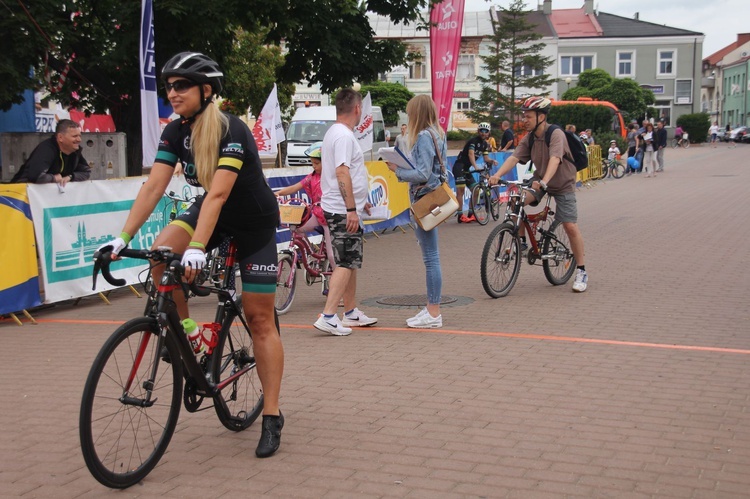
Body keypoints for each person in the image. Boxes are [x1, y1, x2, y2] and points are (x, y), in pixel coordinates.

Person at [97, 52, 285, 458]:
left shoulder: (232, 130)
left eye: (181, 85)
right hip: (210, 214)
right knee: (161, 254)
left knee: (259, 319)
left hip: (252, 222)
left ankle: (271, 415)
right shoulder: (174, 132)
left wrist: (199, 248)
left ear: (206, 90)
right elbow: (153, 187)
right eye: (169, 86)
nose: (172, 93)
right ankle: (187, 334)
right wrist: (122, 237)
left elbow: (218, 193)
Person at [489, 96, 589, 293]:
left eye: (528, 116)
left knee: (569, 224)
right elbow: (515, 158)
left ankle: (581, 270)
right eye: (523, 116)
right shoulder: (530, 137)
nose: (524, 120)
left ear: (541, 117)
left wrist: (544, 182)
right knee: (515, 200)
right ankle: (522, 242)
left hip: (562, 183)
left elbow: (554, 159)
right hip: (540, 181)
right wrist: (497, 175)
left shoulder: (556, 134)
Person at [313, 88, 378, 336]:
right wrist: (351, 208)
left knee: (350, 261)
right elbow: (342, 172)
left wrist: (360, 203)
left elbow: (344, 173)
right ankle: (328, 315)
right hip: (342, 210)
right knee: (346, 261)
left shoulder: (336, 133)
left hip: (344, 207)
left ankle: (350, 313)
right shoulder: (343, 136)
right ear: (358, 109)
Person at [385, 94, 447, 329]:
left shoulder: (423, 136)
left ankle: (433, 312)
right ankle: (432, 309)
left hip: (424, 199)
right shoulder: (437, 133)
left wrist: (397, 171)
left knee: (431, 257)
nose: (408, 117)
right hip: (433, 197)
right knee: (432, 256)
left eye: (410, 113)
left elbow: (421, 173)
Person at [274, 142, 336, 273]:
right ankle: (310, 252)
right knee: (298, 230)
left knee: (331, 255)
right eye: (312, 163)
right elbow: (295, 187)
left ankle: (338, 279)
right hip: (317, 216)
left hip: (328, 219)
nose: (314, 166)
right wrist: (279, 193)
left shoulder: (332, 178)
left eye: (317, 163)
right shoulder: (311, 177)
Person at [11, 119, 91, 185]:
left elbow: (86, 172)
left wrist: (70, 177)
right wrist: (54, 178)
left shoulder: (75, 151)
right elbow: (36, 176)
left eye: (80, 136)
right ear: (60, 137)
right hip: (20, 195)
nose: (79, 140)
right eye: (74, 136)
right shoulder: (47, 149)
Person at [452, 122, 498, 223]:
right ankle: (460, 216)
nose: (483, 133)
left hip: (467, 169)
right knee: (461, 191)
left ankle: (471, 213)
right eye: (481, 130)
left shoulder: (485, 144)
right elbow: (470, 154)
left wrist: (491, 161)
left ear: (489, 133)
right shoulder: (473, 141)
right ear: (478, 131)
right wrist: (475, 166)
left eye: (486, 131)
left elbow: (486, 157)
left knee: (475, 190)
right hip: (459, 166)